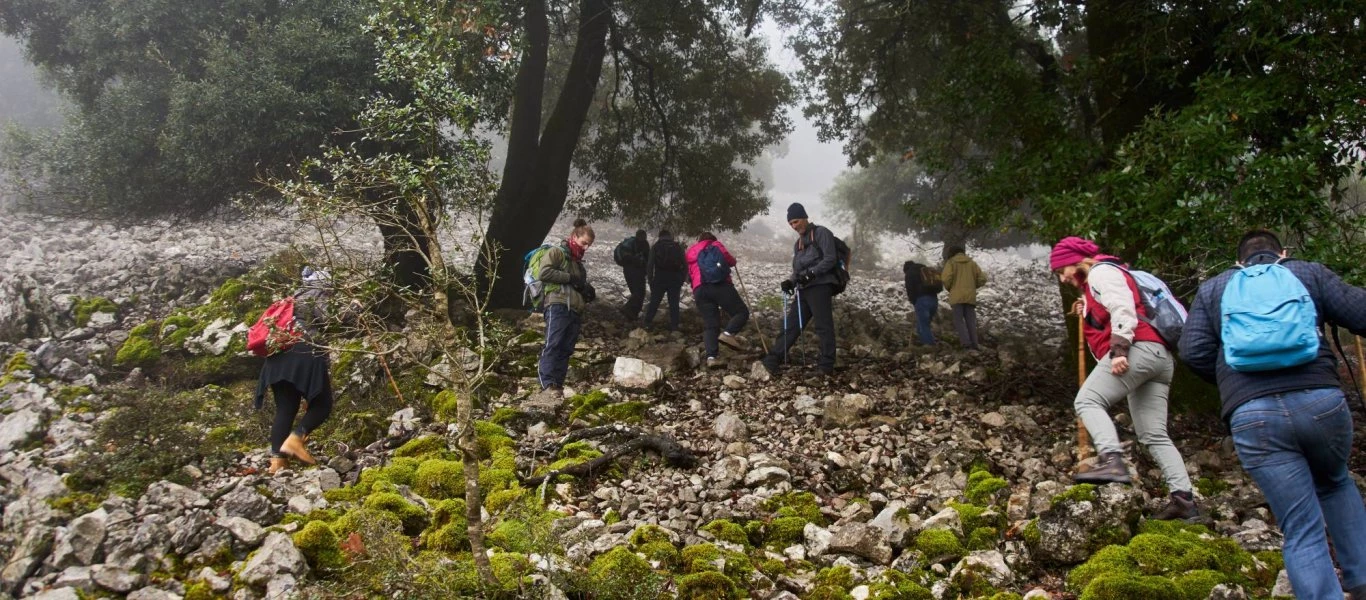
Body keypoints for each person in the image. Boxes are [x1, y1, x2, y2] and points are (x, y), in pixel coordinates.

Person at [1180, 230, 1366, 600]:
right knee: (1335, 481)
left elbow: (1191, 350)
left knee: (1300, 527)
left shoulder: (1215, 288)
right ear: (1282, 253)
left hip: (1253, 417)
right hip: (1321, 402)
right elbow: (1360, 313)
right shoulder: (1307, 273)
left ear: (1238, 262)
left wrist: (1232, 383)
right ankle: (1361, 580)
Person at [1049, 236, 1198, 520]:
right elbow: (1113, 309)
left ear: (1073, 261)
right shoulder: (1102, 279)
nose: (1063, 278)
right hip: (1159, 359)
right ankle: (1184, 501)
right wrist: (1086, 306)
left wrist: (1119, 351)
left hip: (1137, 351)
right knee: (1153, 435)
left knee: (1088, 401)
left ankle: (1112, 460)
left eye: (1061, 271)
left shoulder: (1102, 272)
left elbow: (1122, 308)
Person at [253, 267, 336, 475]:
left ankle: (277, 463)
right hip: (302, 352)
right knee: (322, 404)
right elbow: (332, 319)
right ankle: (296, 439)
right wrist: (355, 308)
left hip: (277, 355)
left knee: (286, 408)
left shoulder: (293, 297)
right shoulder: (317, 293)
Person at [761, 203, 839, 376]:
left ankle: (826, 366)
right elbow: (797, 270)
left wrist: (811, 274)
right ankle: (773, 359)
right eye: (791, 224)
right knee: (792, 326)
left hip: (820, 287)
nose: (794, 227)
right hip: (803, 289)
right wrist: (790, 281)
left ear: (805, 217)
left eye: (796, 222)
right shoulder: (798, 244)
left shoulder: (822, 233)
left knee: (823, 326)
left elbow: (830, 259)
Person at [537, 218, 597, 394]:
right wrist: (570, 278)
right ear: (574, 236)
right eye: (584, 243)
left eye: (589, 245)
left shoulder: (578, 264)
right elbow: (544, 272)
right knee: (553, 344)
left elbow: (577, 285)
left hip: (575, 310)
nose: (586, 248)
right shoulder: (557, 253)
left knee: (566, 349)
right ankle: (546, 384)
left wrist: (586, 291)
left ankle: (558, 385)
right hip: (557, 305)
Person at [685, 232, 749, 366]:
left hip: (699, 290)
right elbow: (730, 261)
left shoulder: (691, 251)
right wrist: (734, 260)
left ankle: (711, 358)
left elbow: (688, 274)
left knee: (710, 324)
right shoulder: (715, 245)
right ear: (712, 239)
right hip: (719, 285)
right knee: (741, 312)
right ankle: (728, 333)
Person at [940, 245, 987, 350]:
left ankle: (965, 343)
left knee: (958, 320)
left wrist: (951, 288)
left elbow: (946, 279)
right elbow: (983, 278)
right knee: (971, 321)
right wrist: (973, 286)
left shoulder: (951, 263)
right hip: (970, 296)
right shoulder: (972, 263)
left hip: (956, 297)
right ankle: (974, 344)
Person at [642, 229, 686, 332]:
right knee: (674, 303)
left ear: (660, 236)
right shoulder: (678, 247)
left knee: (654, 302)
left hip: (660, 278)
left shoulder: (656, 246)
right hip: (675, 279)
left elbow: (650, 265)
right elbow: (685, 264)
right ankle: (674, 326)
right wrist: (682, 279)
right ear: (670, 236)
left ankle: (647, 323)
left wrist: (650, 279)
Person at [903, 258, 944, 346]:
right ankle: (924, 342)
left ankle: (930, 346)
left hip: (922, 301)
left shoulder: (909, 273)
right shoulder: (925, 270)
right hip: (934, 300)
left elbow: (910, 290)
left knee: (923, 326)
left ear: (906, 269)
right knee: (924, 324)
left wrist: (914, 301)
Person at [615, 229, 650, 320]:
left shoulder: (630, 243)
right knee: (640, 292)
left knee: (635, 292)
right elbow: (647, 259)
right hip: (637, 270)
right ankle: (628, 309)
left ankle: (632, 315)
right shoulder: (643, 244)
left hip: (627, 270)